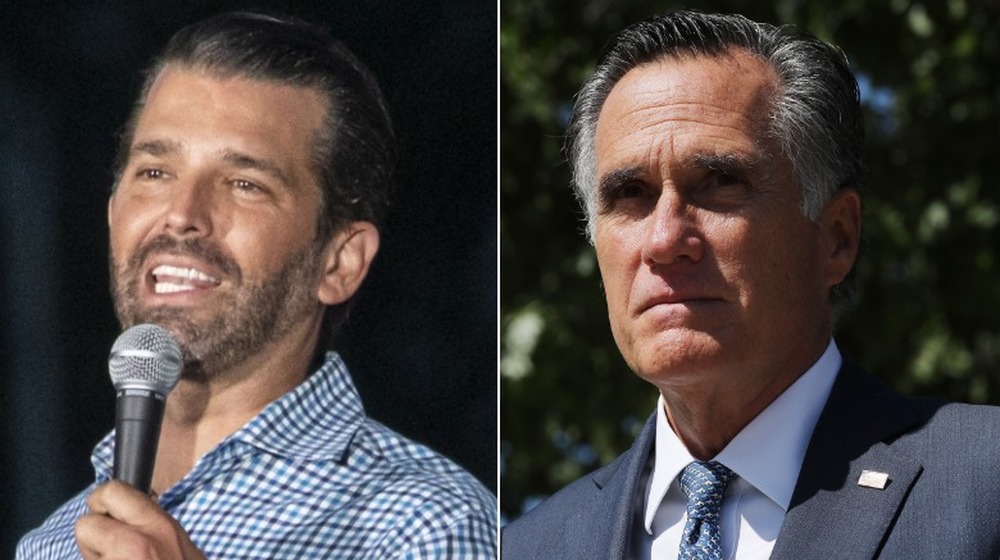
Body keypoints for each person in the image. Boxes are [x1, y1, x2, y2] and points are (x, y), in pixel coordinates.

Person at [501, 10, 1000, 559]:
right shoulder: (526, 546)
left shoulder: (981, 481)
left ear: (836, 238)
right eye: (630, 194)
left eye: (720, 183)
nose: (665, 238)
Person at [17, 12, 496, 559]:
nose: (182, 215)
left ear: (339, 262)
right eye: (154, 173)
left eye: (244, 184)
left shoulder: (425, 524)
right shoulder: (50, 544)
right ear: (111, 214)